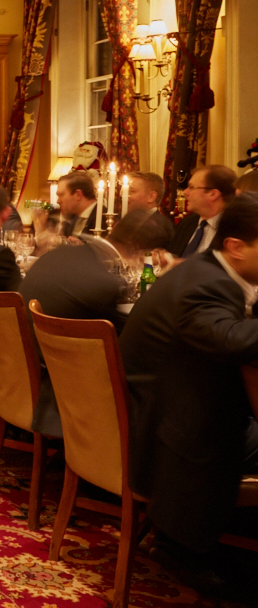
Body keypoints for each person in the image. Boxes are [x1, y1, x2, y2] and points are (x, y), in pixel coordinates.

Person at [120, 195, 258, 594]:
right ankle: (191, 549)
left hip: (163, 409)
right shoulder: (206, 284)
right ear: (235, 247)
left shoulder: (206, 270)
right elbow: (229, 338)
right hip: (167, 431)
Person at [22, 208, 173, 438]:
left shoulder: (59, 254)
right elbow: (122, 348)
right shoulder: (104, 283)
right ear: (141, 250)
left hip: (26, 366)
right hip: (60, 387)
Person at [166, 164, 236, 258]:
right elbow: (173, 255)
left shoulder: (236, 231)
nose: (185, 192)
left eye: (191, 187)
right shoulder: (186, 224)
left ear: (213, 194)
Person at [124, 170, 175, 238]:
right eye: (124, 191)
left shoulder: (161, 228)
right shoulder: (128, 220)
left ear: (151, 197)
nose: (124, 196)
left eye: (131, 191)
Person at [55, 171, 100, 238]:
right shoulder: (74, 218)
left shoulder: (103, 218)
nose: (58, 201)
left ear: (78, 195)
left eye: (61, 195)